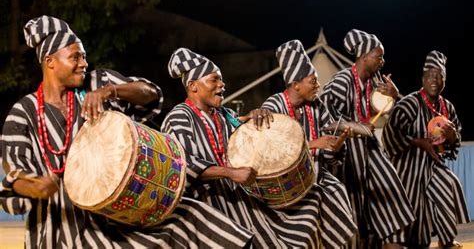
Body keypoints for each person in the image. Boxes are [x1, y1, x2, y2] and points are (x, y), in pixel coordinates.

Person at [0, 15, 253, 248]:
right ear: (49, 61)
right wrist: (36, 187)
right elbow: (15, 177)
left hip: (116, 213)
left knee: (193, 216)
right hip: (59, 227)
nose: (83, 64)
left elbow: (151, 94)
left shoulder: (97, 83)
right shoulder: (23, 113)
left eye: (84, 56)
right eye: (75, 57)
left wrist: (112, 91)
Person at [162, 47, 326, 248]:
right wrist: (230, 173)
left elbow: (240, 128)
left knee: (307, 208)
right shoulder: (179, 117)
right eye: (214, 80)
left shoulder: (223, 114)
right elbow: (182, 164)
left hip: (234, 196)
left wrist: (254, 116)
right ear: (193, 86)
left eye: (221, 79)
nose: (222, 84)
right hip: (205, 205)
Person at [320, 29, 415, 248]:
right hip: (347, 152)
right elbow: (325, 118)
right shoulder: (342, 80)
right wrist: (357, 128)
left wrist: (391, 96)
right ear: (364, 56)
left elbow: (375, 115)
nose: (383, 60)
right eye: (378, 56)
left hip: (369, 149)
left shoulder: (375, 82)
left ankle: (393, 240)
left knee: (391, 190)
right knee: (354, 208)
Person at [261, 40, 356, 248]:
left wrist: (336, 146)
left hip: (316, 176)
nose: (318, 85)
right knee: (309, 219)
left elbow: (328, 152)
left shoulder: (316, 105)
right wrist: (313, 144)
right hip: (284, 186)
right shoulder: (273, 106)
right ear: (296, 84)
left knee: (339, 196)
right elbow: (270, 152)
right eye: (313, 81)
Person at [382, 50, 470, 248]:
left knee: (449, 183)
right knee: (410, 200)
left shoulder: (448, 108)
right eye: (430, 75)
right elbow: (391, 133)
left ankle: (446, 240)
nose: (435, 80)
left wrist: (452, 136)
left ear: (445, 80)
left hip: (432, 165)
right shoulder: (409, 103)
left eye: (440, 76)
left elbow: (455, 142)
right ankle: (401, 240)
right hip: (406, 166)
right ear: (422, 78)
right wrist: (419, 142)